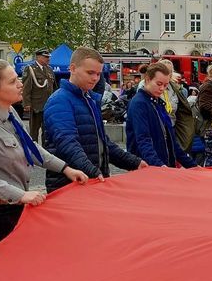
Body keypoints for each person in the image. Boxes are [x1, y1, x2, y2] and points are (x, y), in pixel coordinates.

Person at [0, 60, 89, 256]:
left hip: (11, 208)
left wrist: (65, 168)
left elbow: (30, 146)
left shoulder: (9, 112)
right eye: (12, 81)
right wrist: (21, 195)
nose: (20, 84)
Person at [42, 47, 145, 191]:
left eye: (98, 74)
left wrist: (134, 162)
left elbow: (103, 143)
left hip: (89, 182)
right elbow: (67, 143)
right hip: (70, 185)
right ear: (73, 68)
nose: (95, 78)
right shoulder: (59, 100)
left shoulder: (89, 99)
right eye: (90, 73)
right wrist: (93, 172)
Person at [126, 62, 196, 168]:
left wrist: (191, 165)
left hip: (162, 165)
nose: (162, 88)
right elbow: (143, 140)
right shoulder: (139, 103)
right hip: (147, 168)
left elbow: (171, 140)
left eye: (166, 85)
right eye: (159, 84)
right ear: (147, 80)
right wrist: (159, 165)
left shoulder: (158, 102)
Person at [159, 59, 197, 154]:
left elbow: (181, 110)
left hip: (171, 128)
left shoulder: (175, 89)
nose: (167, 74)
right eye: (164, 71)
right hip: (157, 130)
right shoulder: (151, 87)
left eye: (170, 71)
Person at [21, 49, 57, 143]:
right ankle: (34, 149)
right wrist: (26, 104)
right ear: (38, 57)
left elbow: (54, 87)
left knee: (47, 131)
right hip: (36, 105)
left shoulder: (49, 69)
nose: (48, 59)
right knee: (34, 131)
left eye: (48, 57)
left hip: (48, 105)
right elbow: (26, 87)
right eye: (46, 57)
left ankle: (45, 148)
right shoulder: (30, 69)